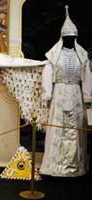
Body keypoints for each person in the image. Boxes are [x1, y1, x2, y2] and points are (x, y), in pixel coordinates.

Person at [40, 6, 92, 177]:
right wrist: (47, 94)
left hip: (77, 96)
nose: (70, 39)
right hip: (60, 95)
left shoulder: (82, 56)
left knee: (76, 130)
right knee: (58, 129)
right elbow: (47, 74)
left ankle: (75, 167)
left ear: (76, 38)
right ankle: (54, 167)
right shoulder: (53, 56)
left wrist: (87, 97)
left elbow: (86, 77)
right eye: (67, 37)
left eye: (72, 37)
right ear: (62, 37)